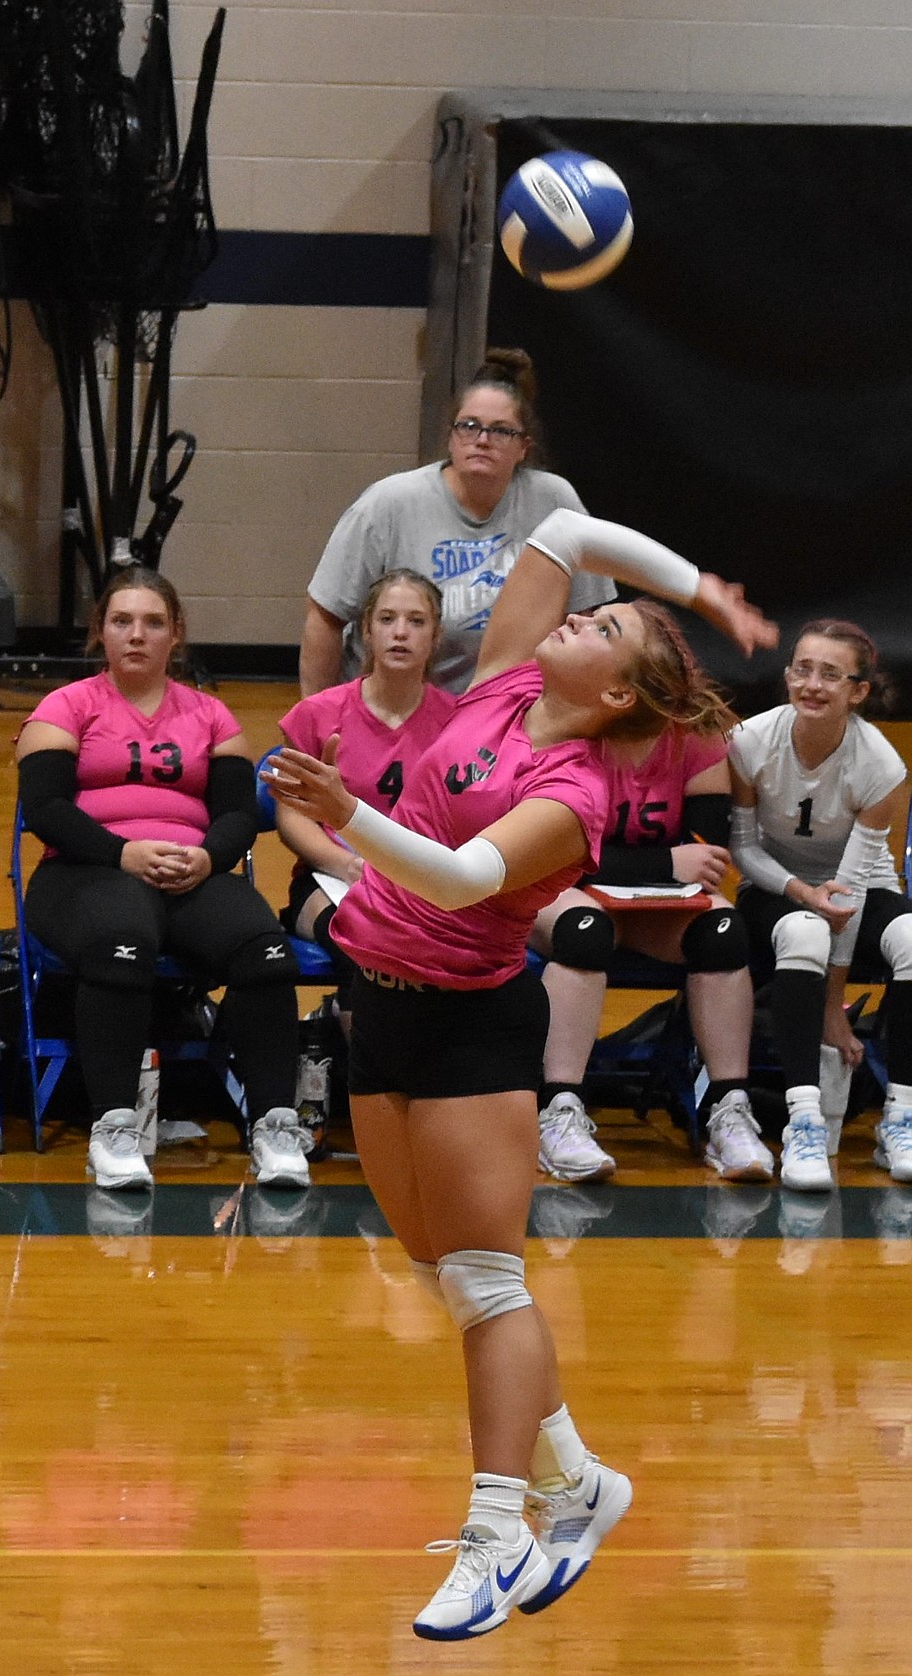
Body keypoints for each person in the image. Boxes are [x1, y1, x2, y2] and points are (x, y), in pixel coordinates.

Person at [267, 506, 775, 1639]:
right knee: (438, 1268)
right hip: (378, 1006)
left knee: (489, 1284)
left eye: (606, 630)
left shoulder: (578, 795)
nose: (581, 614)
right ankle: (581, 1481)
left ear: (614, 698)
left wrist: (348, 813)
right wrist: (700, 588)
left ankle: (501, 1536)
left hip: (473, 1025)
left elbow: (455, 881)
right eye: (592, 612)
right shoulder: (502, 680)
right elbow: (564, 526)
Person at [15, 567, 311, 1194]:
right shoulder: (64, 706)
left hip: (188, 871)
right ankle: (116, 1127)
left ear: (176, 634)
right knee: (121, 945)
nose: (137, 635)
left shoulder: (211, 715)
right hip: (84, 870)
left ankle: (275, 1124)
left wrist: (208, 857)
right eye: (122, 621)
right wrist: (121, 853)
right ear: (101, 631)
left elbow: (236, 813)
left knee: (266, 949)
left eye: (153, 623)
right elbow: (45, 809)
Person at [530, 620, 774, 1185]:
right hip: (555, 890)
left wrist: (660, 868)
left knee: (722, 930)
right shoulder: (572, 726)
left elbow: (707, 859)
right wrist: (662, 864)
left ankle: (728, 1108)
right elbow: (550, 848)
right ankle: (559, 1109)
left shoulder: (698, 738)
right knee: (584, 930)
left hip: (644, 904)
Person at [300, 349, 615, 696]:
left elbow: (588, 620)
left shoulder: (555, 502)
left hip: (505, 710)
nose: (482, 440)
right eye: (469, 426)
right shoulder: (387, 503)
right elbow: (324, 618)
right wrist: (315, 722)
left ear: (524, 446)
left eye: (501, 431)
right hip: (398, 707)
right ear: (450, 438)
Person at [730, 619, 912, 1193]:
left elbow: (851, 892)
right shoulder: (749, 741)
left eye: (830, 675)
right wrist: (799, 892)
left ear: (857, 690)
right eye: (802, 669)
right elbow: (743, 848)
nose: (811, 684)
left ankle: (901, 1118)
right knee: (806, 930)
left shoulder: (880, 766)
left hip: (857, 886)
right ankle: (803, 1122)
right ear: (786, 676)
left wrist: (835, 1003)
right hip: (774, 886)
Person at [276, 569, 456, 1022]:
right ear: (366, 632)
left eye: (416, 621)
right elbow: (292, 816)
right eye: (387, 619)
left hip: (424, 884)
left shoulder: (459, 721)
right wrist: (347, 865)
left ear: (435, 637)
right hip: (329, 878)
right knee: (363, 946)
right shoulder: (317, 714)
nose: (400, 632)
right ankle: (367, 1078)